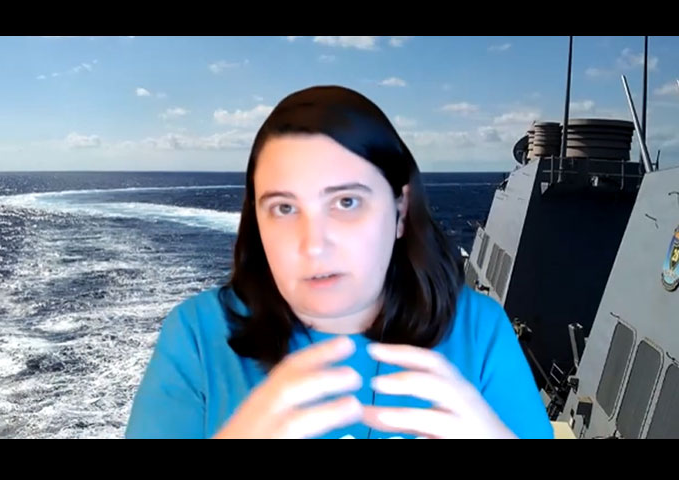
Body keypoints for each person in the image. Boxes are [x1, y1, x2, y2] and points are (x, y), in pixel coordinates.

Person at [125, 85, 554, 439]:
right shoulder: (197, 336)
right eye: (284, 208)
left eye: (346, 202)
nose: (314, 244)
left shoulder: (479, 331)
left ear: (400, 210)